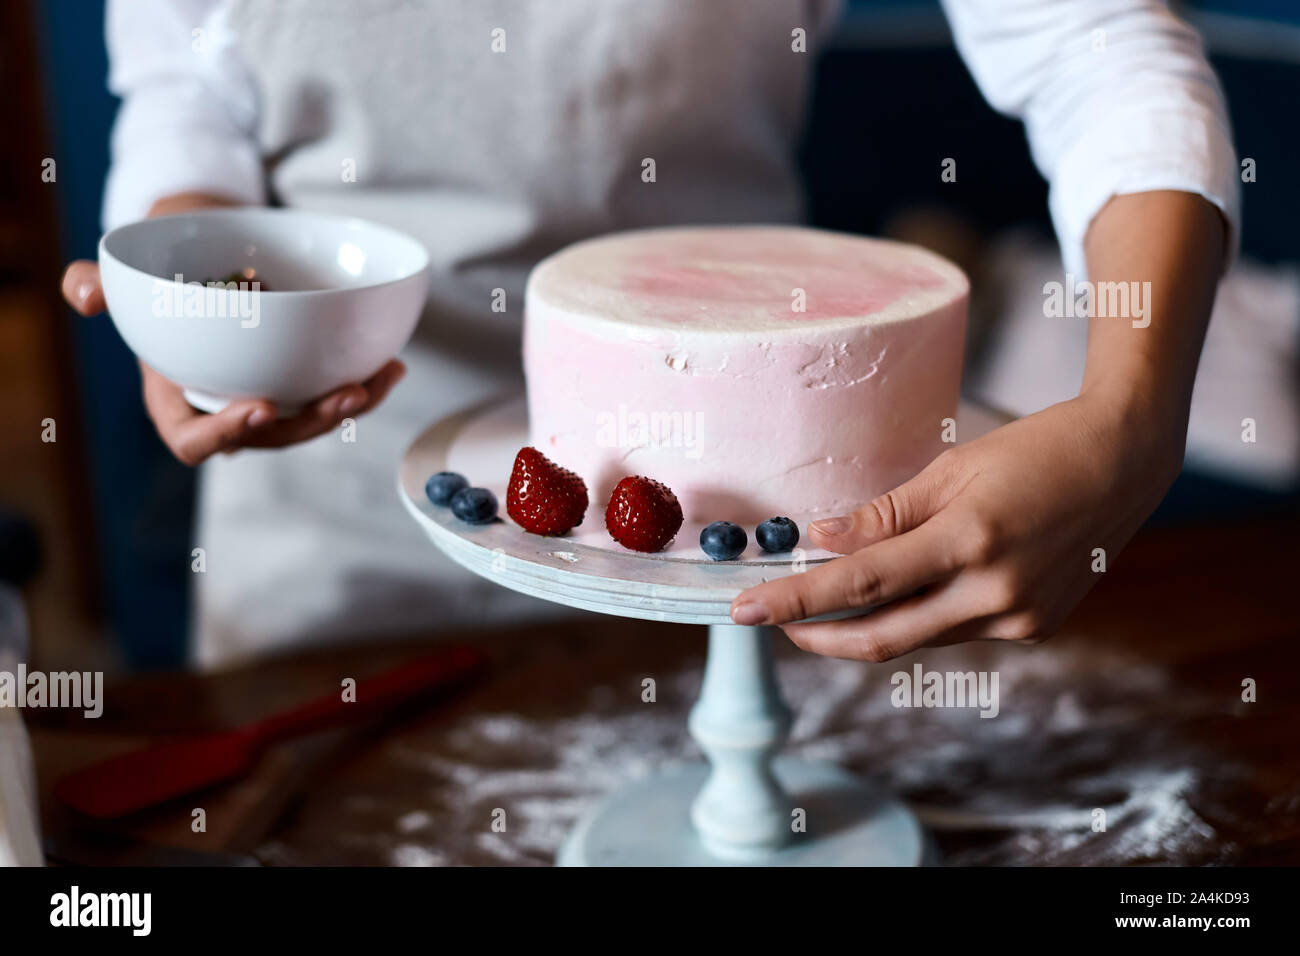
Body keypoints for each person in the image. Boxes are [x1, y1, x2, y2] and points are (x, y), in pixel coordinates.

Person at [62, 0, 1237, 667]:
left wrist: (1132, 412)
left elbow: (1097, 45)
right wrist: (199, 292)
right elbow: (187, 96)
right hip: (333, 542)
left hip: (748, 533)